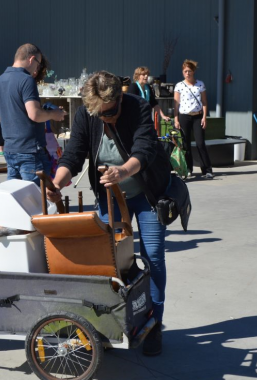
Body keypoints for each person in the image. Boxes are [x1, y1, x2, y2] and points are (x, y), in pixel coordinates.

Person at [48, 71, 171, 356]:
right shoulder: (87, 115)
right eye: (100, 114)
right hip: (109, 196)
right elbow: (73, 155)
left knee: (152, 258)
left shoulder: (137, 106)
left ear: (119, 98)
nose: (106, 118)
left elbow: (145, 148)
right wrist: (56, 183)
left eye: (111, 111)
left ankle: (153, 325)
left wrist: (123, 171)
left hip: (147, 193)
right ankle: (111, 324)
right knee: (108, 262)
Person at [0, 43, 66, 185]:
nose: (37, 69)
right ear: (31, 59)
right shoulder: (26, 80)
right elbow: (35, 114)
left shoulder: (0, 80)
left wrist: (16, 115)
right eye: (38, 65)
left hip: (10, 148)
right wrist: (54, 114)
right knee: (35, 199)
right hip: (29, 150)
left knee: (15, 197)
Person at [174, 59, 214, 179]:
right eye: (185, 71)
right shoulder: (179, 85)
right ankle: (188, 169)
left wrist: (204, 117)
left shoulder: (200, 84)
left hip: (197, 116)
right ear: (182, 72)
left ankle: (207, 170)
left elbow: (205, 101)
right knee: (185, 144)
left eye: (189, 71)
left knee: (200, 143)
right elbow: (176, 104)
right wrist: (176, 119)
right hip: (184, 116)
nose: (187, 73)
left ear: (193, 71)